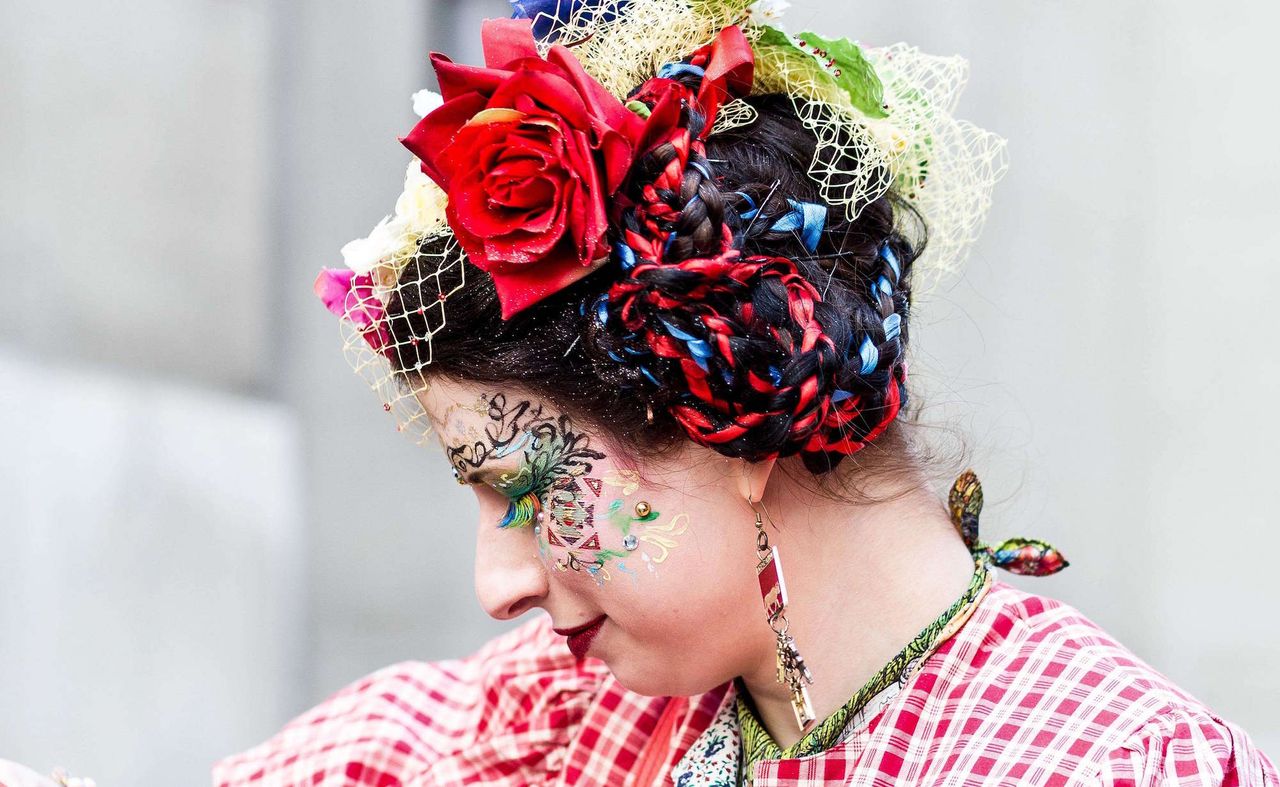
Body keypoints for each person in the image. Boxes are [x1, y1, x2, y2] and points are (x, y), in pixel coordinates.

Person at [216, 1, 1278, 784]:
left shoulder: (1118, 765)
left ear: (727, 401)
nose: (496, 584)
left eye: (526, 490)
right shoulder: (548, 721)